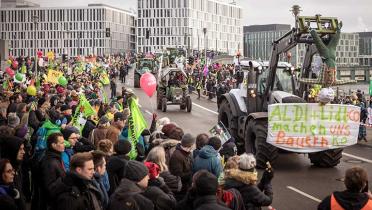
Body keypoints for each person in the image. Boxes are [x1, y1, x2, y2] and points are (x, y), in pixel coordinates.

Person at [32, 132, 66, 210]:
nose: (64, 144)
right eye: (62, 143)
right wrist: (66, 179)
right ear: (53, 145)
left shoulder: (55, 157)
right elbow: (50, 188)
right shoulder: (49, 163)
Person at [0, 136, 26, 210]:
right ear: (12, 150)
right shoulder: (4, 170)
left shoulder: (17, 167)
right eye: (20, 149)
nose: (23, 152)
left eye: (23, 149)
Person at [169, 133, 195, 200]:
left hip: (186, 186)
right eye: (193, 144)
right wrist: (192, 173)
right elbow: (178, 175)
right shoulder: (177, 156)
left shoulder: (187, 152)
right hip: (181, 190)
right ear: (190, 145)